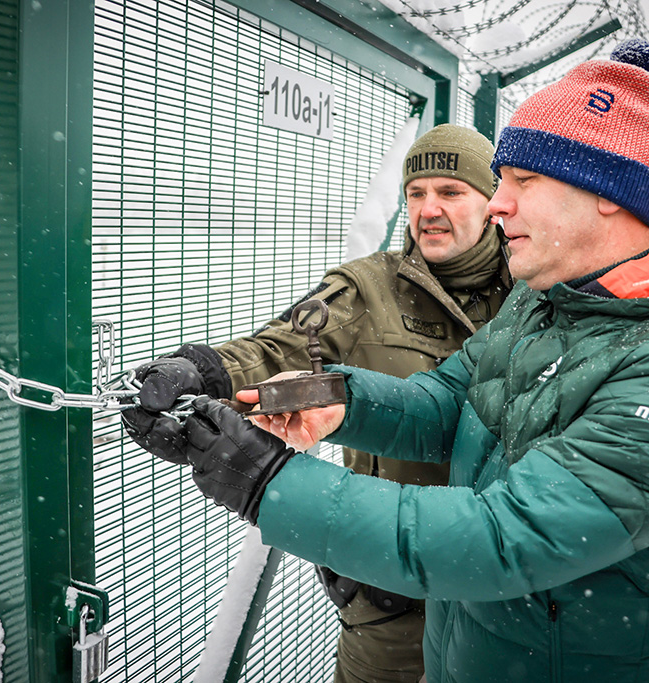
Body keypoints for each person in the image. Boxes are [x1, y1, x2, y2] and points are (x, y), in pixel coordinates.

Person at [128, 39, 649, 683]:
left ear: (605, 190)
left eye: (521, 180)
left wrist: (268, 482)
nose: (496, 203)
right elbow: (451, 402)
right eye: (422, 192)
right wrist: (335, 399)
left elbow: (502, 538)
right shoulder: (547, 305)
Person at [122, 124, 512, 682]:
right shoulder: (366, 289)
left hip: (501, 574)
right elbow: (281, 352)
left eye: (450, 192)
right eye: (416, 193)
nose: (428, 209)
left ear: (492, 201)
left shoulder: (532, 291)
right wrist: (205, 374)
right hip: (390, 586)